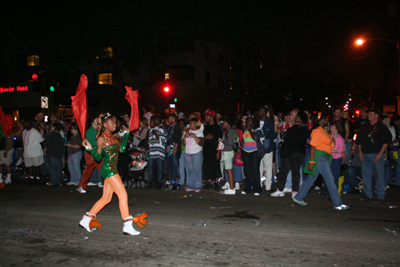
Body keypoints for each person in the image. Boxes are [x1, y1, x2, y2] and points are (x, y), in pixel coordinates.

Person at [80, 112, 142, 236]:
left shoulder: (113, 137)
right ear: (105, 125)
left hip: (113, 169)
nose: (115, 125)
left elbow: (122, 150)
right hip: (108, 169)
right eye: (112, 123)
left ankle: (86, 219)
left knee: (106, 198)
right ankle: (127, 225)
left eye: (115, 123)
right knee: (123, 195)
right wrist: (89, 149)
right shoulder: (101, 138)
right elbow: (97, 157)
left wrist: (126, 135)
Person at [293, 113, 350, 210]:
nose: (327, 121)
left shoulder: (324, 131)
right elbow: (313, 147)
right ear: (321, 121)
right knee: (330, 180)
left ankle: (298, 197)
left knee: (311, 178)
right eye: (326, 119)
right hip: (319, 158)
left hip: (324, 157)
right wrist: (311, 162)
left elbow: (331, 144)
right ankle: (338, 203)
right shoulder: (316, 131)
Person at [356, 108, 392, 204]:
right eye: (369, 114)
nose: (369, 116)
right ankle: (368, 194)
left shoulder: (381, 127)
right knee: (366, 175)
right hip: (365, 154)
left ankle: (380, 196)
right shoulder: (365, 127)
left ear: (376, 115)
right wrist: (360, 152)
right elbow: (358, 140)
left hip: (376, 154)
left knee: (379, 175)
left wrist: (380, 153)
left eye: (371, 114)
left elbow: (386, 141)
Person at [271, 112, 309, 198]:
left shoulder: (302, 129)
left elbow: (296, 139)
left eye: (298, 118)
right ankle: (281, 190)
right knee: (284, 172)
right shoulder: (294, 128)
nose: (296, 119)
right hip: (289, 153)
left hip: (295, 153)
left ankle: (294, 191)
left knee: (294, 173)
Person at [77, 116, 102, 193]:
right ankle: (81, 186)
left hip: (96, 152)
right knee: (88, 170)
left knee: (103, 169)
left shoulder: (97, 130)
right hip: (90, 153)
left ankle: (110, 185)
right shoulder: (90, 131)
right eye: (96, 120)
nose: (98, 121)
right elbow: (92, 143)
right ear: (93, 122)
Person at [241, 115, 264, 196]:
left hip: (254, 152)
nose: (248, 123)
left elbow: (256, 138)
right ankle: (248, 188)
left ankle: (257, 188)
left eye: (250, 121)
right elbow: (243, 141)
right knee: (247, 171)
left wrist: (250, 130)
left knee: (255, 171)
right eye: (247, 121)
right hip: (245, 152)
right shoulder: (244, 130)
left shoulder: (257, 130)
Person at [202, 110, 223, 191]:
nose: (206, 118)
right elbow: (203, 138)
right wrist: (206, 138)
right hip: (207, 150)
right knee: (208, 166)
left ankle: (216, 183)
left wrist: (219, 152)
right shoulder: (206, 127)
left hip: (214, 150)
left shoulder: (217, 128)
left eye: (207, 116)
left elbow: (220, 141)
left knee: (215, 166)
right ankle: (210, 182)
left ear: (212, 117)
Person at [258, 106, 278, 191]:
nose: (259, 112)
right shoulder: (256, 122)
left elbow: (274, 135)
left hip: (267, 147)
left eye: (261, 111)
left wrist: (264, 136)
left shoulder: (270, 123)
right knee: (259, 166)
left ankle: (268, 184)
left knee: (268, 166)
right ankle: (258, 183)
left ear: (265, 113)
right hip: (258, 147)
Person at [182, 117, 204, 192]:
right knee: (190, 169)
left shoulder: (199, 132)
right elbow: (184, 143)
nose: (190, 125)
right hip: (188, 153)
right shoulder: (187, 132)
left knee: (197, 169)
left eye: (191, 123)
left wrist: (194, 136)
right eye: (190, 123)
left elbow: (200, 143)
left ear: (196, 124)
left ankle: (198, 185)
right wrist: (185, 137)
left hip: (197, 152)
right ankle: (191, 185)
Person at [218, 116, 239, 195]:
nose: (223, 124)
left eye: (224, 123)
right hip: (229, 151)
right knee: (229, 169)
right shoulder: (232, 131)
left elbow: (230, 143)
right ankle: (231, 186)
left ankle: (232, 188)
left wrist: (222, 141)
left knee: (229, 170)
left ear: (228, 124)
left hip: (228, 151)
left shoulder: (230, 131)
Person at [146, 115, 167, 190]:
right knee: (151, 169)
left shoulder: (162, 130)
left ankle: (159, 183)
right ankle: (151, 182)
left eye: (152, 121)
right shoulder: (151, 130)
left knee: (159, 169)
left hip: (159, 153)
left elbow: (164, 140)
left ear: (156, 121)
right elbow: (149, 142)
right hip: (152, 153)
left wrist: (156, 134)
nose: (150, 123)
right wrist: (148, 150)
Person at [165, 113, 182, 191]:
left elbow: (178, 139)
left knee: (175, 166)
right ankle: (172, 182)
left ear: (173, 119)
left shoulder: (177, 127)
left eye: (169, 118)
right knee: (170, 166)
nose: (168, 120)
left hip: (174, 149)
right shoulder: (170, 127)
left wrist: (175, 149)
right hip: (169, 150)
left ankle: (177, 183)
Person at [327, 122, 345, 195]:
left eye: (333, 128)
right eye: (330, 127)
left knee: (334, 176)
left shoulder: (339, 138)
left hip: (336, 159)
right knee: (328, 175)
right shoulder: (330, 136)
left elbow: (341, 150)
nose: (331, 129)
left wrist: (332, 150)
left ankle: (334, 193)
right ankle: (327, 191)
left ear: (337, 129)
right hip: (330, 158)